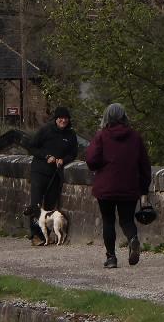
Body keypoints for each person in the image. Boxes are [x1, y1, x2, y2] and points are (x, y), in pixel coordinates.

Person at [83, 103, 152, 269]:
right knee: (127, 220)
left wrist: (103, 164)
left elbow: (91, 161)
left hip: (106, 187)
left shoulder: (101, 136)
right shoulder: (135, 137)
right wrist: (143, 189)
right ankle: (133, 238)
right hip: (129, 186)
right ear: (124, 117)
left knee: (108, 221)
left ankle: (111, 257)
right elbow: (144, 166)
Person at [25, 107, 80, 246]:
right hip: (39, 171)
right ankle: (35, 235)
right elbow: (31, 147)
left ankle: (46, 236)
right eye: (61, 118)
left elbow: (73, 153)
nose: (63, 120)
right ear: (56, 119)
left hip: (55, 174)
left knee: (50, 207)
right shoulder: (46, 130)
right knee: (36, 205)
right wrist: (46, 156)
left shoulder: (71, 134)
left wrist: (64, 160)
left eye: (66, 118)